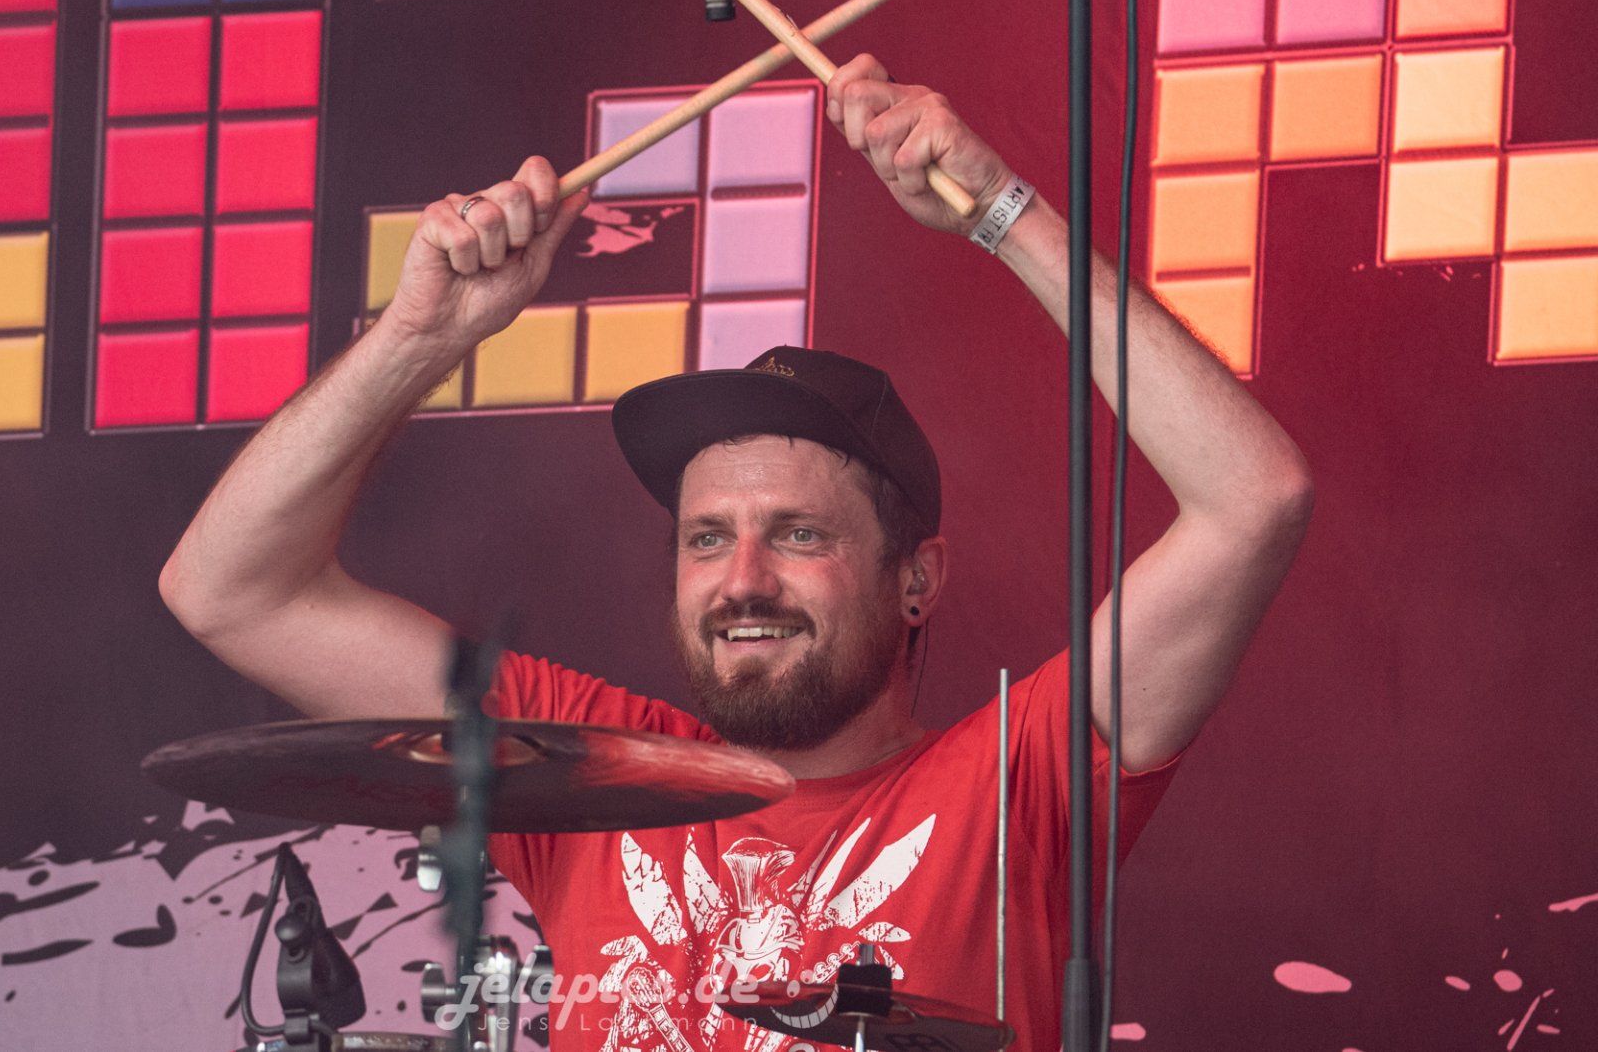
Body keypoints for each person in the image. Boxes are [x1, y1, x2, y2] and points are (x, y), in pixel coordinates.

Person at [159, 54, 1314, 1052]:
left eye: (799, 534)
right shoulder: (579, 766)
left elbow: (1253, 499)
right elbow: (229, 590)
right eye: (707, 537)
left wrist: (1001, 214)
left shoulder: (1018, 783)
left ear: (917, 579)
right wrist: (420, 336)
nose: (743, 580)